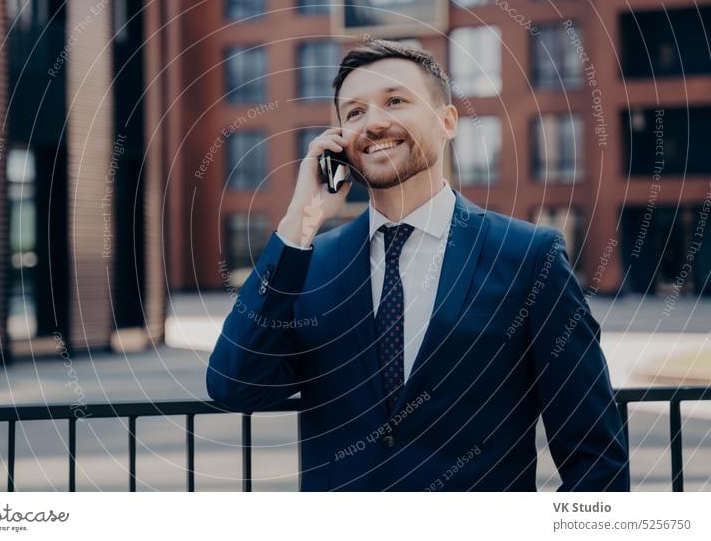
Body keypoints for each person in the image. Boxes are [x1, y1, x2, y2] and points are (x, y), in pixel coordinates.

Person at [206, 38, 630, 492]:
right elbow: (235, 385)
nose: (375, 122)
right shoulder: (309, 262)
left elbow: (594, 455)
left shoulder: (529, 257)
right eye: (354, 112)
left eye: (395, 101)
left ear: (448, 121)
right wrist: (298, 222)